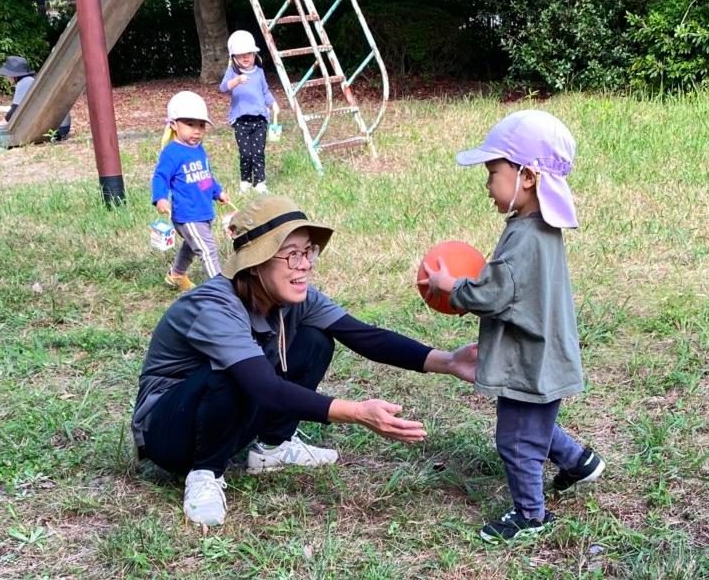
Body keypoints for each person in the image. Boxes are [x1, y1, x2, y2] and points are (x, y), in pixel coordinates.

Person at [132, 195, 477, 528]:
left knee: (315, 340)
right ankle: (204, 473)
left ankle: (271, 448)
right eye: (291, 255)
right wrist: (357, 412)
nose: (305, 264)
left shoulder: (294, 298)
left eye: (308, 252)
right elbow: (264, 389)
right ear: (255, 262)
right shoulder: (216, 306)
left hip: (221, 416)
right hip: (168, 432)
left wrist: (448, 362)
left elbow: (365, 336)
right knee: (235, 375)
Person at [420, 110, 605, 543]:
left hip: (530, 358)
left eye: (493, 173)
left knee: (516, 440)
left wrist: (452, 287)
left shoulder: (525, 236)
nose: (487, 186)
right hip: (545, 354)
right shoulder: (538, 226)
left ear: (526, 176)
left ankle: (530, 515)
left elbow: (494, 294)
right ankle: (578, 461)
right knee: (534, 422)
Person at [152, 90, 229, 292]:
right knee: (207, 248)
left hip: (203, 211)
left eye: (201, 125)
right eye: (190, 124)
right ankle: (222, 288)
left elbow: (205, 177)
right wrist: (160, 198)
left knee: (192, 245)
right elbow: (160, 177)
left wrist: (217, 191)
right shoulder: (172, 153)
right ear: (173, 125)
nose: (197, 131)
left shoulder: (198, 149)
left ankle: (176, 275)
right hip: (188, 215)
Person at [219, 30, 279, 195]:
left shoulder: (259, 73)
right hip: (240, 120)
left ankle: (260, 182)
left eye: (249, 54)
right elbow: (223, 88)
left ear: (255, 55)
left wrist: (273, 104)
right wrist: (237, 81)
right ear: (234, 58)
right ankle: (245, 181)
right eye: (241, 55)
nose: (246, 58)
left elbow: (265, 91)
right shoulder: (233, 73)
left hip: (260, 119)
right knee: (245, 153)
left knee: (258, 152)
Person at [0, 56, 71, 140]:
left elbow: (14, 112)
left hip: (57, 129)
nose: (7, 78)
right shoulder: (31, 80)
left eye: (8, 75)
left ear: (13, 76)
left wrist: (4, 121)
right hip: (62, 126)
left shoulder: (24, 83)